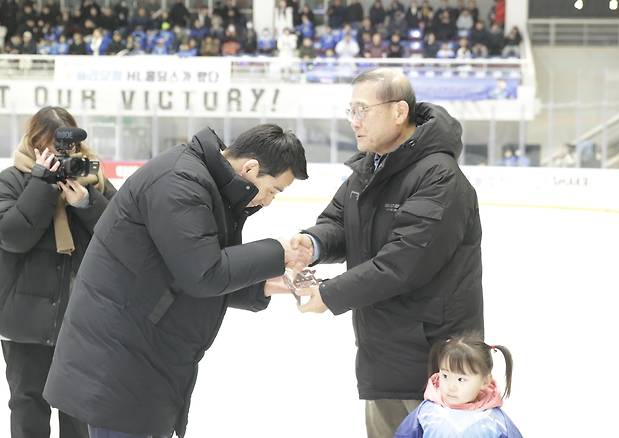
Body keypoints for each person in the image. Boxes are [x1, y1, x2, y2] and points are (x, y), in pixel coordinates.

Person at [43, 124, 311, 438]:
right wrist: (277, 252)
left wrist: (260, 285)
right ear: (250, 168)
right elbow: (202, 273)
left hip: (143, 354)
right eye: (273, 190)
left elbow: (184, 264)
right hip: (119, 361)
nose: (268, 201)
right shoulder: (180, 182)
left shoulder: (205, 184)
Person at [290, 68, 484, 438]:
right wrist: (311, 243)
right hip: (384, 352)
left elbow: (403, 262)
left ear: (399, 112)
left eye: (362, 110)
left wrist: (329, 294)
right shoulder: (370, 168)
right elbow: (339, 221)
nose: (354, 121)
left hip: (437, 360)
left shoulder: (438, 176)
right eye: (351, 111)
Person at [0, 106, 116, 438]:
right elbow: (12, 236)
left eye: (67, 149)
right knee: (27, 405)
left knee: (78, 409)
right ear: (34, 144)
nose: (60, 157)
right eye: (49, 149)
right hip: (24, 321)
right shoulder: (12, 180)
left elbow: (120, 237)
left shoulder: (93, 180)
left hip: (82, 322)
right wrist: (41, 184)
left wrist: (85, 202)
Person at [394, 334, 522, 437]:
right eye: (445, 376)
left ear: (485, 381)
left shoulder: (495, 421)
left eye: (461, 379)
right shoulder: (425, 413)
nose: (451, 387)